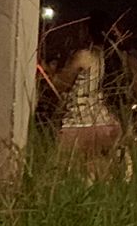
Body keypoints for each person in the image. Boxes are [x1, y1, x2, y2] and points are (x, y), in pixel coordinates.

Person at [51, 12, 121, 161]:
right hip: (106, 123)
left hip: (78, 124)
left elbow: (60, 85)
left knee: (70, 175)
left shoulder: (83, 56)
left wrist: (51, 73)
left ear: (88, 32)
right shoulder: (107, 57)